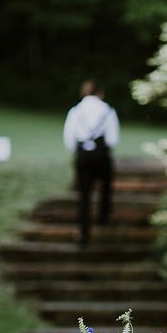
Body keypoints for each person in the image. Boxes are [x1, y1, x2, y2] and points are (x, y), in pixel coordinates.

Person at [63, 80, 120, 246]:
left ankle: (83, 232)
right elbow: (113, 139)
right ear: (100, 93)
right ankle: (103, 219)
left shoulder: (75, 111)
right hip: (101, 154)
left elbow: (68, 138)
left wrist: (80, 149)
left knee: (84, 194)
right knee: (106, 185)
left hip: (83, 155)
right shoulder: (107, 110)